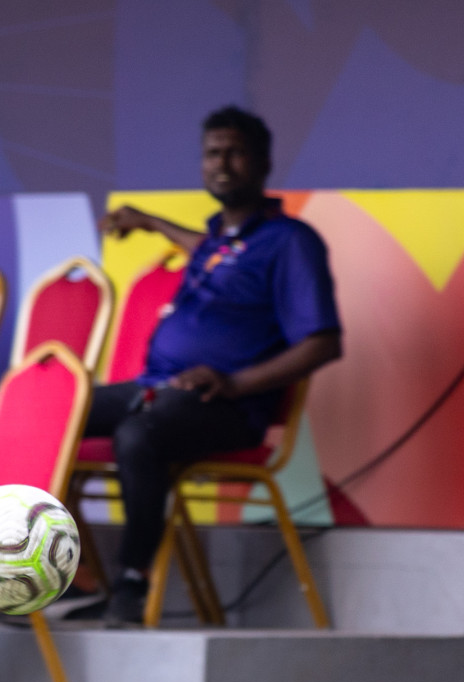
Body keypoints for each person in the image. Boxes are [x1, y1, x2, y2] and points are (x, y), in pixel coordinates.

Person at [87, 106, 342, 625]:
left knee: (139, 435)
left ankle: (132, 581)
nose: (221, 163)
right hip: (154, 387)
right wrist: (149, 222)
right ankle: (31, 566)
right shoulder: (219, 243)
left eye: (235, 152)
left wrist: (233, 383)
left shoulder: (291, 242)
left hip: (223, 407)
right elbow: (205, 247)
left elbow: (323, 344)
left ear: (264, 162)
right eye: (211, 153)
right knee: (50, 411)